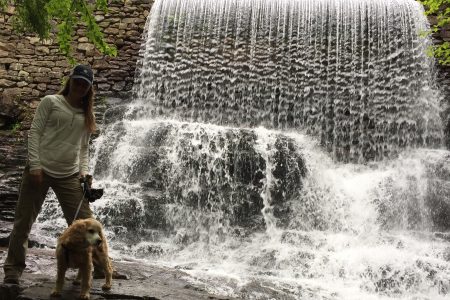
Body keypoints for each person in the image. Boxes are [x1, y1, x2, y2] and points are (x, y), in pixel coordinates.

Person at [2, 64, 118, 284]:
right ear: (70, 81)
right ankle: (13, 269)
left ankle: (102, 266)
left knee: (89, 225)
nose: (80, 86)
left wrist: (83, 175)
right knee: (23, 222)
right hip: (40, 170)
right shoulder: (50, 102)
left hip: (69, 175)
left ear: (89, 88)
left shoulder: (87, 114)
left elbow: (84, 148)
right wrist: (35, 165)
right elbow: (35, 132)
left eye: (85, 84)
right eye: (77, 81)